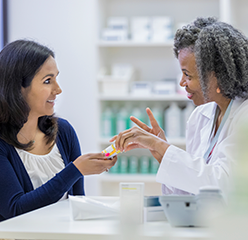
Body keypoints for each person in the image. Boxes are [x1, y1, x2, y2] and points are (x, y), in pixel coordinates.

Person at [111, 17, 248, 200]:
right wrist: (162, 155)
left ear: (216, 76)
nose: (182, 82)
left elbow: (225, 185)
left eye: (187, 75)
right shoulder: (200, 116)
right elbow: (188, 194)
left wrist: (161, 146)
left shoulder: (244, 116)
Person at [0, 39, 117, 221]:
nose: (58, 89)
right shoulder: (2, 144)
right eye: (48, 81)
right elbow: (15, 210)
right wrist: (75, 170)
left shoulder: (63, 131)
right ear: (18, 88)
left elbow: (78, 204)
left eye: (56, 78)